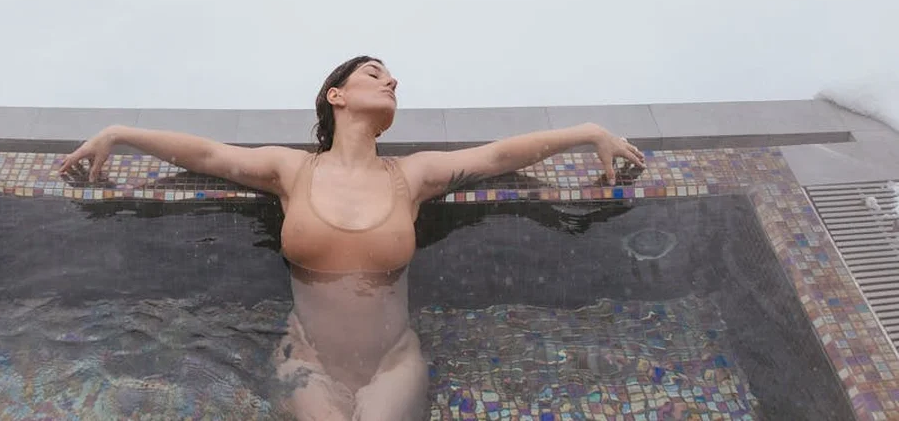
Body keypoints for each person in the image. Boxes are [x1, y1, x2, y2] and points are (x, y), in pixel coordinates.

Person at [58, 56, 645, 420]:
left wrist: (589, 131)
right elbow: (210, 154)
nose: (392, 80)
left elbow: (496, 156)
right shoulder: (292, 171)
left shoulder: (410, 176)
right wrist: (118, 133)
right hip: (306, 359)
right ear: (336, 95)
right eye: (374, 73)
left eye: (392, 77)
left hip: (392, 362)